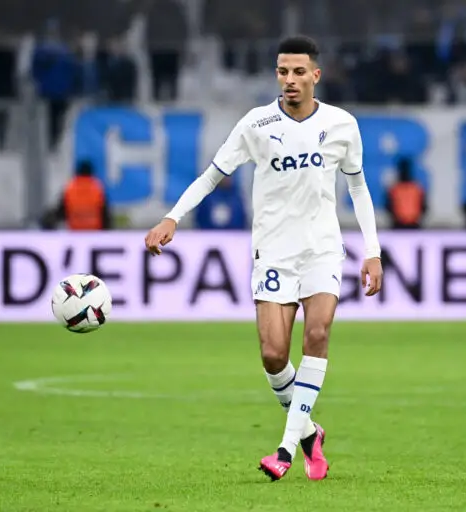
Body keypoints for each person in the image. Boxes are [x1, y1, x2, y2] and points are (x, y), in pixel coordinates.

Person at [144, 36, 383, 482]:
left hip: (322, 249)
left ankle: (285, 450)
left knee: (317, 333)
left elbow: (357, 187)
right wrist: (172, 217)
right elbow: (211, 176)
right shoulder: (256, 124)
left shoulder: (342, 125)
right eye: (282, 71)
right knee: (274, 355)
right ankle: (310, 433)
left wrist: (372, 251)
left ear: (315, 75)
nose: (289, 79)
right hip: (273, 251)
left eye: (298, 72)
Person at [54, 160, 112, 231]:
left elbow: (61, 212)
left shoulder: (69, 189)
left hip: (75, 231)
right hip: (94, 231)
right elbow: (105, 214)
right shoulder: (98, 189)